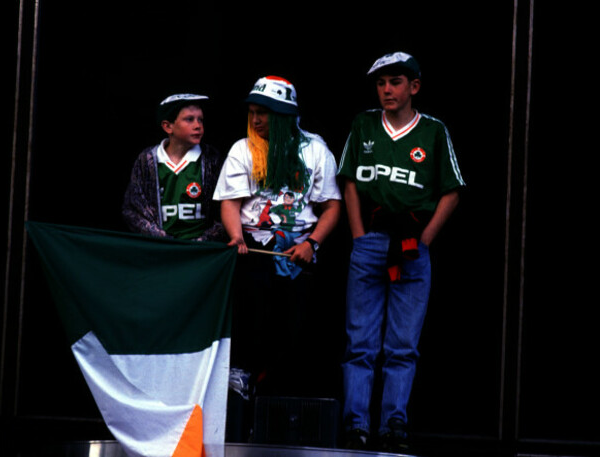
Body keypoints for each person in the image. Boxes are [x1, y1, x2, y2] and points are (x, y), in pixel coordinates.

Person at [338, 52, 465, 452]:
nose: (387, 90)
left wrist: (424, 239)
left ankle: (395, 422)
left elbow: (452, 189)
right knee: (360, 341)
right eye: (380, 83)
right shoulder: (363, 124)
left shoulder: (432, 131)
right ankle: (356, 424)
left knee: (403, 344)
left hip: (412, 246)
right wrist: (359, 235)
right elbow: (351, 183)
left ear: (414, 86)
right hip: (371, 241)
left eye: (395, 82)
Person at [213, 75, 341, 397]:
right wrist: (236, 237)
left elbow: (331, 207)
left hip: (299, 248)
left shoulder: (315, 150)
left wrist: (312, 244)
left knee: (294, 328)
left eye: (264, 113)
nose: (255, 120)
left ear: (285, 115)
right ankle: (241, 384)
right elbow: (231, 202)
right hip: (253, 247)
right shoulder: (243, 149)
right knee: (251, 318)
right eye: (252, 112)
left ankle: (278, 394)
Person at [122, 93, 225, 241]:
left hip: (201, 251)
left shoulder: (211, 159)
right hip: (161, 249)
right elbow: (132, 210)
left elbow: (226, 208)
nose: (198, 126)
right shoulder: (147, 160)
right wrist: (162, 239)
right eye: (189, 119)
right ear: (168, 126)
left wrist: (203, 241)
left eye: (200, 120)